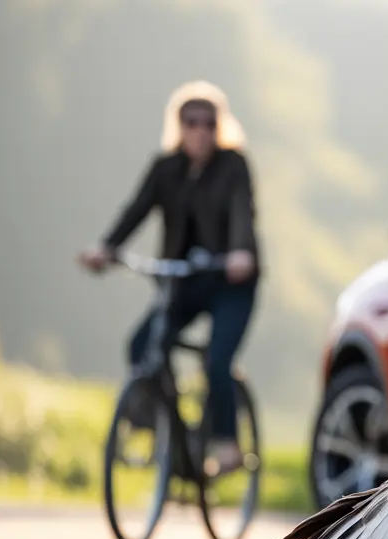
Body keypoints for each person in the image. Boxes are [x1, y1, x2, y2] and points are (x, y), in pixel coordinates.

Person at [78, 80, 260, 477]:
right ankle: (162, 425)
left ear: (219, 127)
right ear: (178, 125)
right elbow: (136, 210)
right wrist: (106, 247)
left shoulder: (233, 165)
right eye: (191, 122)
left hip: (230, 283)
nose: (200, 131)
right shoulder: (166, 168)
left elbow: (242, 211)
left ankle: (226, 445)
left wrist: (241, 252)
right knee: (141, 345)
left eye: (209, 123)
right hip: (184, 281)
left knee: (217, 361)